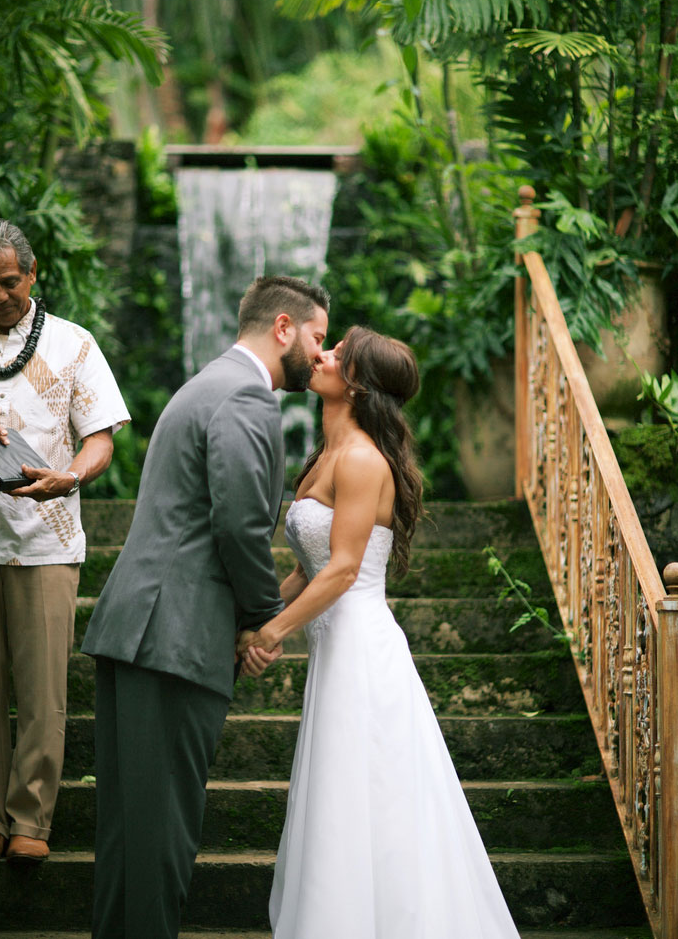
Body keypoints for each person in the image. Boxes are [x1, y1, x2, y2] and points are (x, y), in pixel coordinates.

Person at [238, 325, 521, 939]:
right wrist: (256, 617)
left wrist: (271, 635)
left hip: (362, 650)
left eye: (338, 353)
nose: (323, 354)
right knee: (344, 799)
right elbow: (303, 569)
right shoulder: (326, 455)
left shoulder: (364, 458)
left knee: (367, 796)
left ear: (358, 384)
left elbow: (342, 570)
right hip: (335, 648)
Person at [81, 274, 329, 939]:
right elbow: (241, 524)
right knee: (160, 838)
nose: (319, 352)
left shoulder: (207, 384)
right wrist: (258, 620)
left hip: (141, 629)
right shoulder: (246, 397)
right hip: (173, 638)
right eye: (317, 336)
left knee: (130, 840)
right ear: (283, 327)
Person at [0, 218, 130, 865]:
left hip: (48, 540)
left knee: (44, 690)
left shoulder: (73, 344)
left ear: (32, 275)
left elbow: (102, 436)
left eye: (9, 282)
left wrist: (69, 475)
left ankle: (30, 819)